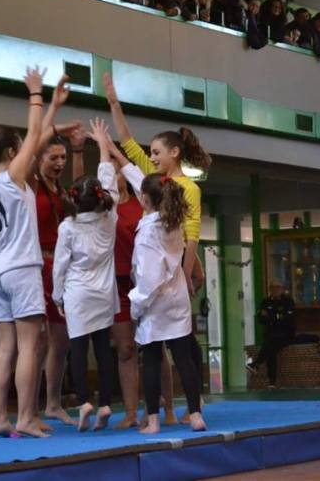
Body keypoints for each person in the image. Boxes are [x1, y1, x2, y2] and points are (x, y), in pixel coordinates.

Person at [104, 72, 210, 422]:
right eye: (151, 154)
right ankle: (189, 411)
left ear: (175, 153)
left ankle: (168, 413)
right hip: (172, 282)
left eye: (157, 153)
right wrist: (114, 104)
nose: (152, 157)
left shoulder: (181, 191)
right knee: (176, 349)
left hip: (170, 278)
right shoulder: (155, 181)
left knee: (169, 351)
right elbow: (129, 150)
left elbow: (192, 238)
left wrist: (190, 272)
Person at [0, 68, 67, 438]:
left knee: (5, 348)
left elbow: (39, 135)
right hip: (20, 268)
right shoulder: (13, 177)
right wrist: (35, 95)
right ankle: (26, 416)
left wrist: (54, 108)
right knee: (30, 346)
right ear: (13, 154)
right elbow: (34, 136)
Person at [102, 133, 178, 428]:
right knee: (125, 349)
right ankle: (132, 413)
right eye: (108, 170)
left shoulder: (143, 204)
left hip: (146, 283)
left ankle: (167, 409)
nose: (114, 174)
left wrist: (114, 151)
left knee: (156, 347)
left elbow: (135, 172)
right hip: (118, 284)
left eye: (116, 169)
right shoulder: (104, 210)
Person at [52, 119, 120, 431]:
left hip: (78, 293)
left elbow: (60, 266)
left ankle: (84, 401)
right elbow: (108, 177)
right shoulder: (110, 218)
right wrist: (103, 145)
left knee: (78, 350)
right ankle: (105, 402)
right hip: (104, 293)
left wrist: (56, 296)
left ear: (74, 199)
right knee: (103, 349)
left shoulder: (68, 227)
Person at [130, 173, 207, 434]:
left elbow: (148, 277)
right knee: (183, 358)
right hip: (178, 298)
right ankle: (196, 415)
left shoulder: (147, 232)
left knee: (152, 359)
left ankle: (153, 420)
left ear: (144, 199)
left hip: (156, 301)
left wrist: (136, 305)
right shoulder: (174, 223)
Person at [31, 120, 84, 426]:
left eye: (63, 158)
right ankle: (30, 407)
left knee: (61, 340)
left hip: (59, 268)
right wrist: (52, 127)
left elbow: (80, 191)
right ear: (39, 159)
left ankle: (53, 402)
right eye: (54, 158)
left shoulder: (61, 189)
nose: (59, 163)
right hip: (35, 265)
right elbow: (33, 145)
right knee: (35, 341)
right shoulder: (29, 184)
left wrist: (78, 149)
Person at [245, 280, 296, 388]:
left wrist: (271, 317)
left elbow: (287, 319)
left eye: (278, 287)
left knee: (270, 344)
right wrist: (275, 317)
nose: (275, 290)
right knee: (270, 350)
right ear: (269, 289)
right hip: (270, 333)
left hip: (285, 334)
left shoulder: (288, 301)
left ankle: (256, 364)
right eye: (273, 287)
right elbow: (261, 319)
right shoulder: (266, 301)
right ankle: (272, 382)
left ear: (282, 289)